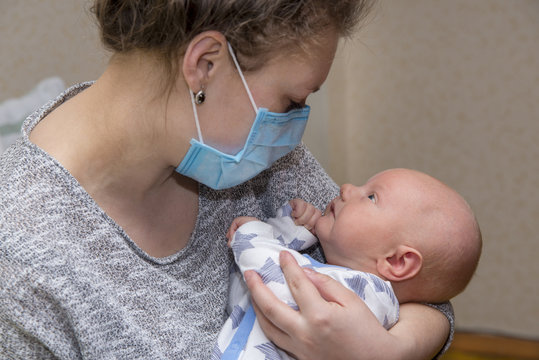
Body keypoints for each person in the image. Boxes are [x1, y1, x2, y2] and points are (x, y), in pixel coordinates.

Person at [0, 1, 454, 359]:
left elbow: (420, 286)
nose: (292, 131)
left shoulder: (260, 161)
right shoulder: (23, 263)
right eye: (292, 101)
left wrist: (389, 350)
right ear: (206, 64)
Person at [216, 168, 482, 359]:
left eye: (371, 197)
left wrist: (253, 234)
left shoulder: (366, 296)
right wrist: (296, 229)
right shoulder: (347, 278)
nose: (346, 188)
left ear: (397, 261)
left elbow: (271, 279)